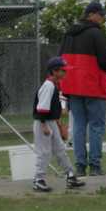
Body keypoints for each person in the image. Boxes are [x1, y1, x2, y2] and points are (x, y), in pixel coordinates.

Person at [59, 1, 106, 177]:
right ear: (91, 15)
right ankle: (95, 166)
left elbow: (61, 59)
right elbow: (105, 61)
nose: (102, 18)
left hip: (73, 86)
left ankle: (80, 166)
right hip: (93, 86)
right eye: (101, 15)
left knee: (78, 126)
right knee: (96, 126)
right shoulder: (95, 33)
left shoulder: (69, 34)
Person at [32, 57, 86, 192]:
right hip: (43, 122)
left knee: (60, 149)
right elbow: (42, 108)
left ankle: (70, 176)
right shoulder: (48, 86)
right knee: (44, 152)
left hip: (50, 121)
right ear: (54, 71)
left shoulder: (54, 85)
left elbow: (52, 108)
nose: (65, 72)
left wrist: (57, 123)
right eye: (63, 70)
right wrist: (44, 125)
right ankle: (38, 180)